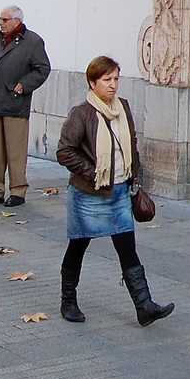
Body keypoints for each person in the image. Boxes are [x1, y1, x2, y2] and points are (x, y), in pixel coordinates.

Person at [55, 56, 173, 326]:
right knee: (78, 245)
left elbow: (130, 145)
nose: (112, 85)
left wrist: (134, 175)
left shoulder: (123, 108)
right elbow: (64, 152)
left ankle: (144, 306)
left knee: (127, 248)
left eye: (116, 79)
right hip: (88, 194)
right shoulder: (82, 113)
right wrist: (93, 171)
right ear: (92, 82)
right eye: (106, 80)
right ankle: (68, 301)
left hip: (119, 191)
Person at [0, 5, 50, 208]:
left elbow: (42, 69)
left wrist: (23, 86)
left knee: (15, 151)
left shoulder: (32, 41)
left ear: (17, 21)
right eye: (0, 19)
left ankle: (18, 190)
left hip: (15, 103)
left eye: (5, 19)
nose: (1, 23)